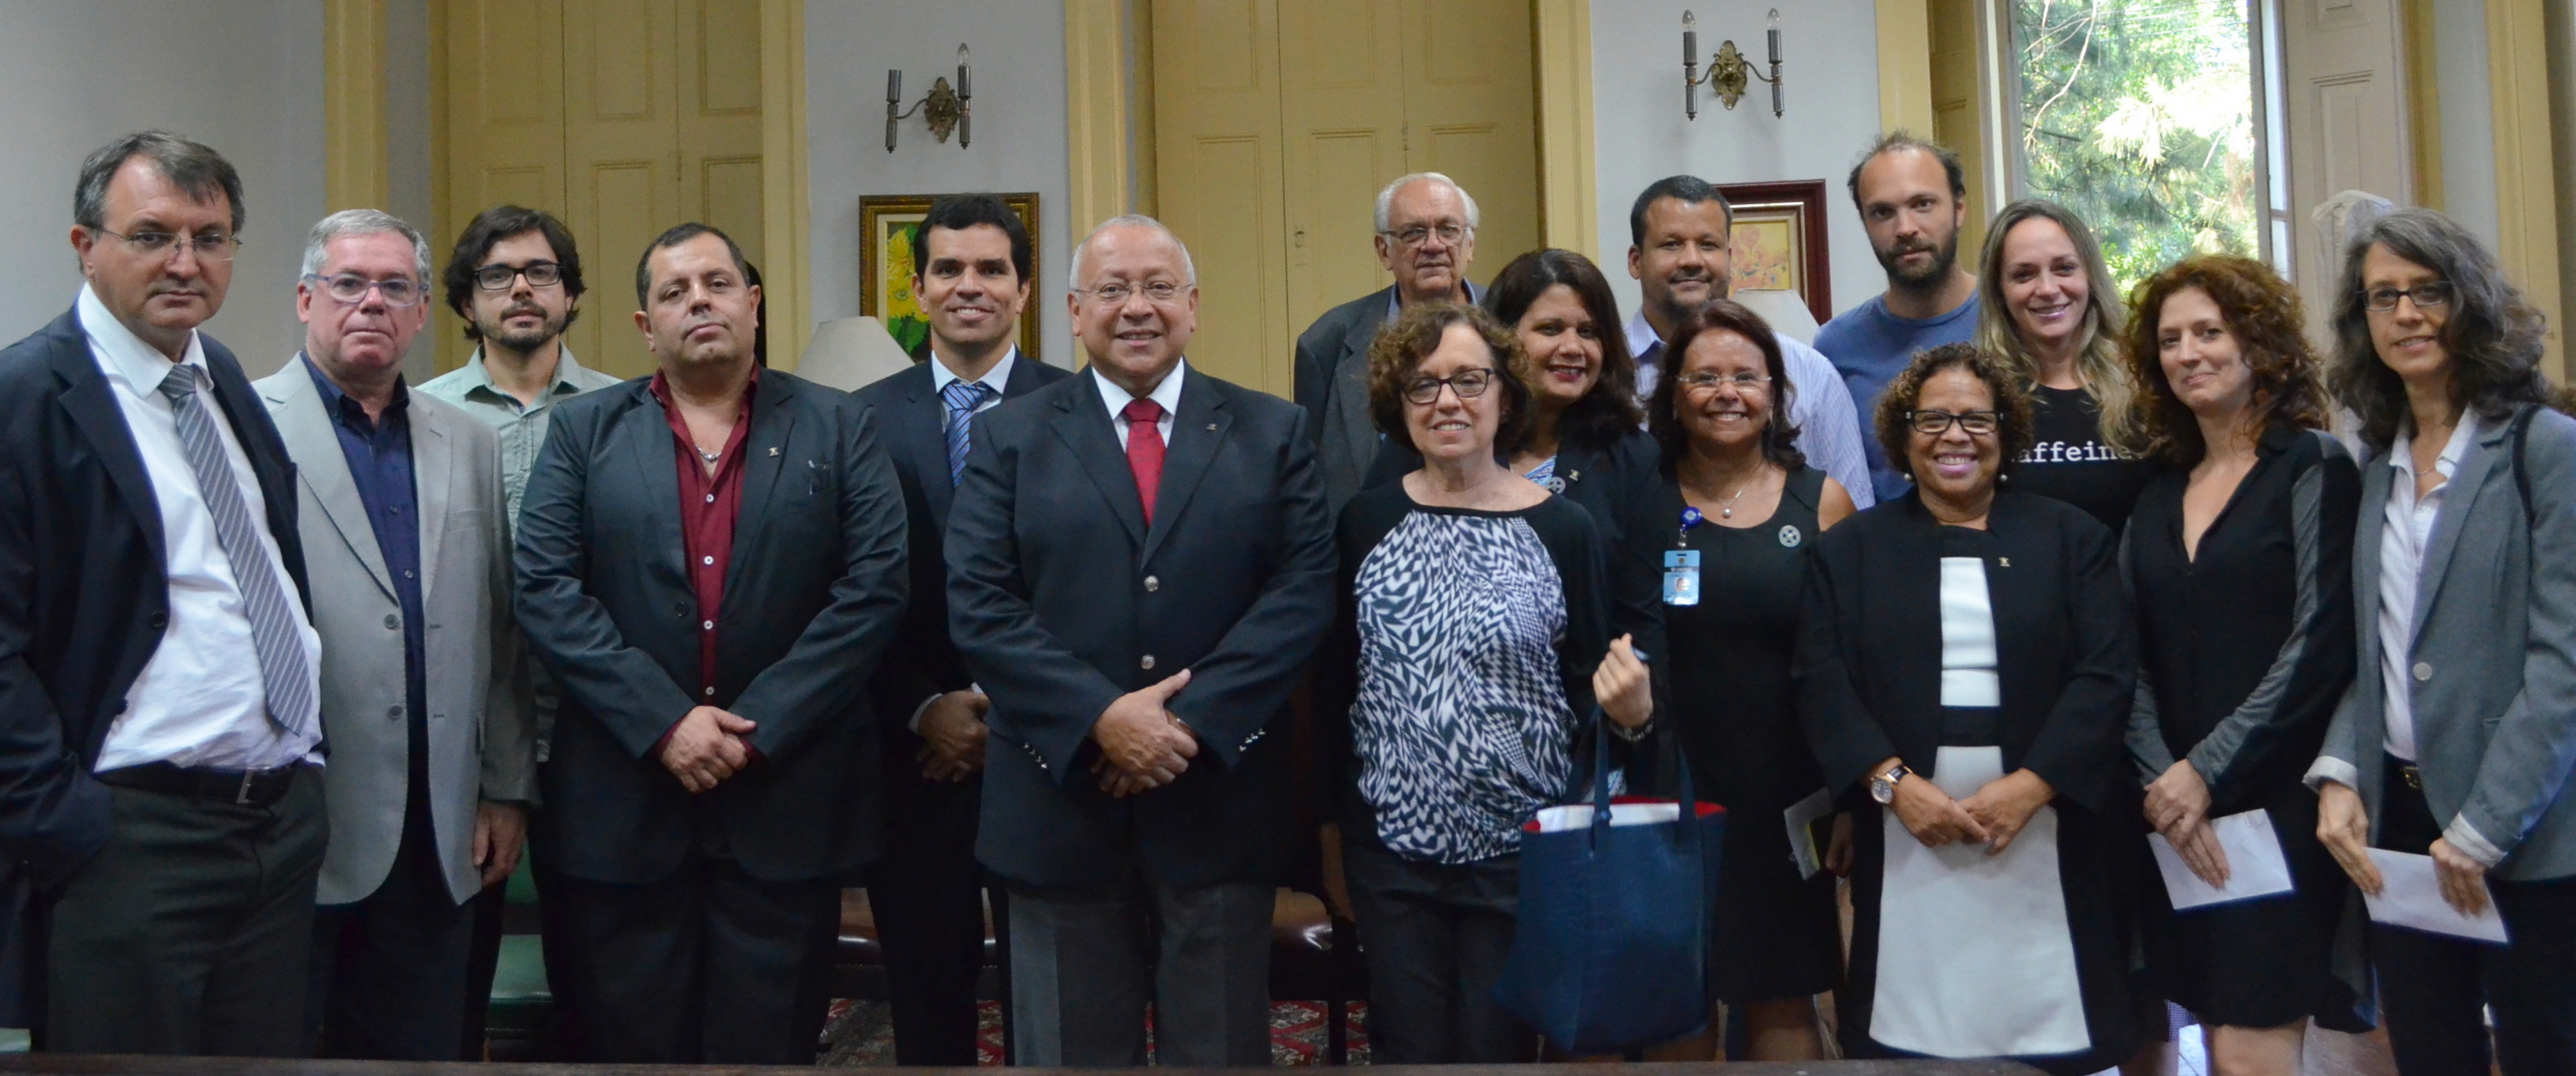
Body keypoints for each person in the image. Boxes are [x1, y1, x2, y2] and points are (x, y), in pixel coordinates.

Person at [513, 222, 909, 1064]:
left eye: (718, 283)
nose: (699, 301)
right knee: (629, 1052)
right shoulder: (583, 431)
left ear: (754, 303)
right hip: (624, 808)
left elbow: (874, 591)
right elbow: (545, 588)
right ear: (645, 325)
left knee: (768, 1051)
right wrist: (665, 722)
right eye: (675, 291)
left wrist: (758, 726)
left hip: (787, 802)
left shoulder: (841, 425)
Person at [946, 215, 1336, 1067]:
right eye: (1113, 289)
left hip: (1217, 803)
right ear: (1074, 311)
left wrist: (1182, 723)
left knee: (1220, 1054)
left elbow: (1302, 593)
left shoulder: (1273, 431)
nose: (1137, 307)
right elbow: (980, 602)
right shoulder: (1009, 435)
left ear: (1193, 305)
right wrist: (1102, 718)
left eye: (1158, 287)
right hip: (1059, 803)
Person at [0, 131, 323, 1055]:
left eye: (209, 238)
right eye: (151, 236)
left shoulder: (217, 374)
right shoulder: (26, 397)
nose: (185, 263)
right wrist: (65, 823)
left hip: (276, 829)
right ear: (84, 246)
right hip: (131, 840)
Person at [1315, 301, 1654, 1063]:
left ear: (1506, 395)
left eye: (1470, 380)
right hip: (1392, 852)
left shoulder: (1564, 530)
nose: (1447, 401)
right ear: (1399, 405)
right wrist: (1331, 832)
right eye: (1423, 384)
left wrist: (1633, 717)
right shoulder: (1364, 523)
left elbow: (1590, 689)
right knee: (1409, 1050)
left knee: (1495, 1051)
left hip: (1522, 853)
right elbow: (1338, 688)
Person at [1796, 342, 2144, 1074]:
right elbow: (1822, 681)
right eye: (1933, 420)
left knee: (2050, 1036)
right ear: (1903, 435)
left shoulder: (2072, 538)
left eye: (1976, 420)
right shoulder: (1850, 550)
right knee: (1916, 1043)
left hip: (2045, 827)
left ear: (2005, 433)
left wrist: (2032, 786)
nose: (1955, 436)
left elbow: (2105, 675)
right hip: (1907, 832)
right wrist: (1894, 786)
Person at [253, 209, 532, 1060]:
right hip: (297, 827)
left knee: (422, 1052)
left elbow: (500, 631)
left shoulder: (469, 440)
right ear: (306, 299)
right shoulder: (245, 422)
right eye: (349, 283)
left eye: (394, 287)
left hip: (439, 829)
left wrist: (504, 787)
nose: (371, 302)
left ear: (419, 313)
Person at [2308, 208, 2576, 1076]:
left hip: (2525, 832)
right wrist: (2342, 772)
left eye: (2428, 291)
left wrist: (2485, 827)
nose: (2408, 314)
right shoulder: (2376, 463)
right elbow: (2377, 650)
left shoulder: (2546, 446)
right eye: (2383, 296)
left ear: (2471, 303)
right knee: (2429, 1053)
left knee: (2544, 1052)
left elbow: (2564, 665)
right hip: (2401, 823)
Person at [2115, 255, 2367, 1075]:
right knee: (2218, 1035)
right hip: (2170, 813)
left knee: (2251, 1044)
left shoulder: (2312, 465)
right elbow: (2126, 649)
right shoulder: (2158, 491)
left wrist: (2207, 771)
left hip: (2277, 804)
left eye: (2209, 332)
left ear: (2258, 344)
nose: (2188, 353)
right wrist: (2165, 779)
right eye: (2171, 339)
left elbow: (2321, 641)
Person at [854, 193, 1068, 1066]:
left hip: (1049, 752)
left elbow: (1092, 587)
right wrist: (922, 707)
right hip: (913, 757)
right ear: (918, 288)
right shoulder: (858, 417)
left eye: (991, 268)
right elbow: (846, 587)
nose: (968, 285)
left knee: (1053, 1003)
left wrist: (1005, 708)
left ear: (1024, 288)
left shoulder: (1078, 407)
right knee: (927, 1006)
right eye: (947, 268)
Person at [418, 202, 622, 1059]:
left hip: (597, 730)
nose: (522, 290)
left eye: (542, 272)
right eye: (497, 275)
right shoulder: (420, 415)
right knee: (448, 978)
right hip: (467, 733)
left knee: (602, 981)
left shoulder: (627, 409)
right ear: (467, 301)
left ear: (571, 293)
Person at [1644, 299, 1856, 1061]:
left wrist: (1850, 795)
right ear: (1674, 394)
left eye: (1746, 376)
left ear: (1774, 392)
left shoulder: (1822, 500)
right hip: (1670, 785)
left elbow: (1850, 664)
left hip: (1788, 791)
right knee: (1676, 998)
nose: (1726, 392)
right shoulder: (1640, 497)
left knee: (1784, 991)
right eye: (1705, 377)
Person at [1360, 247, 1668, 677]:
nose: (1572, 348)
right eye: (1550, 329)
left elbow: (1642, 617)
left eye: (1589, 332)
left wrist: (1634, 706)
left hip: (1583, 694)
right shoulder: (1432, 441)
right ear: (1501, 340)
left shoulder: (1631, 454)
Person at [1623, 175, 1874, 507]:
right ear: (1636, 261)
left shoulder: (1809, 373)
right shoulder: (1604, 368)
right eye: (1671, 244)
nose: (1692, 260)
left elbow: (1853, 517)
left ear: (1730, 257)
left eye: (1708, 245)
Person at [1297, 172, 1484, 512]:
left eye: (1448, 230)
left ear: (1469, 244)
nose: (1433, 245)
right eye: (1414, 233)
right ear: (1384, 251)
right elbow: (1308, 482)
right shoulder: (1327, 342)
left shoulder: (1513, 324)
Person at [1816, 132, 1984, 503]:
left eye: (1922, 204)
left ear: (1959, 208)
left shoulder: (2013, 321)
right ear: (1865, 224)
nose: (1905, 228)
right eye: (1883, 212)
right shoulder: (1836, 348)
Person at [1975, 199, 2153, 534]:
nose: (2047, 289)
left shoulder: (2143, 385)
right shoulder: (1981, 398)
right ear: (1999, 291)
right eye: (2024, 275)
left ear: (2090, 275)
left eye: (2064, 268)